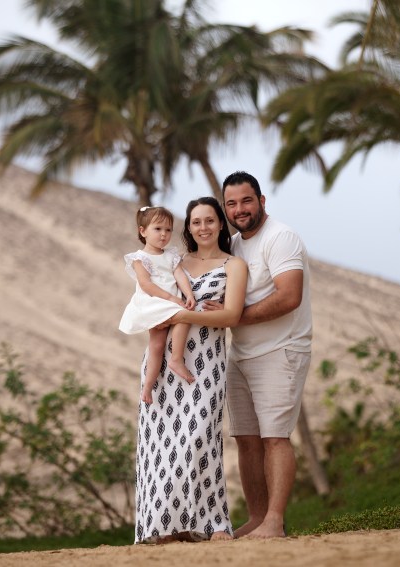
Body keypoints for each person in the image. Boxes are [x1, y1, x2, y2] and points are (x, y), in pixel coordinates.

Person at [134, 197, 248, 544]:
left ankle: (212, 523)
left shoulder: (234, 265)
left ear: (220, 224)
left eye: (210, 220)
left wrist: (186, 314)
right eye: (196, 222)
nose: (203, 227)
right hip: (163, 366)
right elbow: (148, 297)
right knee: (162, 444)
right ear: (189, 227)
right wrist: (180, 312)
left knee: (200, 438)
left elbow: (230, 317)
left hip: (206, 364)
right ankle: (166, 525)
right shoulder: (172, 259)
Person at [205, 171, 313, 539]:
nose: (240, 209)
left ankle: (274, 523)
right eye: (231, 203)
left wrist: (233, 316)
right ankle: (256, 518)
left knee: (274, 438)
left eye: (246, 200)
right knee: (246, 439)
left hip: (282, 350)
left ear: (262, 201)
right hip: (241, 354)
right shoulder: (233, 246)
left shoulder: (280, 237)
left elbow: (289, 296)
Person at [119, 206, 196, 404]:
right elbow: (146, 284)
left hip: (173, 301)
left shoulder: (171, 255)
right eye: (158, 229)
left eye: (168, 230)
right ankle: (149, 385)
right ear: (143, 231)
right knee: (157, 345)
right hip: (154, 302)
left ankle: (175, 358)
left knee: (184, 315)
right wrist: (171, 299)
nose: (163, 234)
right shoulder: (140, 258)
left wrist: (188, 294)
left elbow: (179, 275)